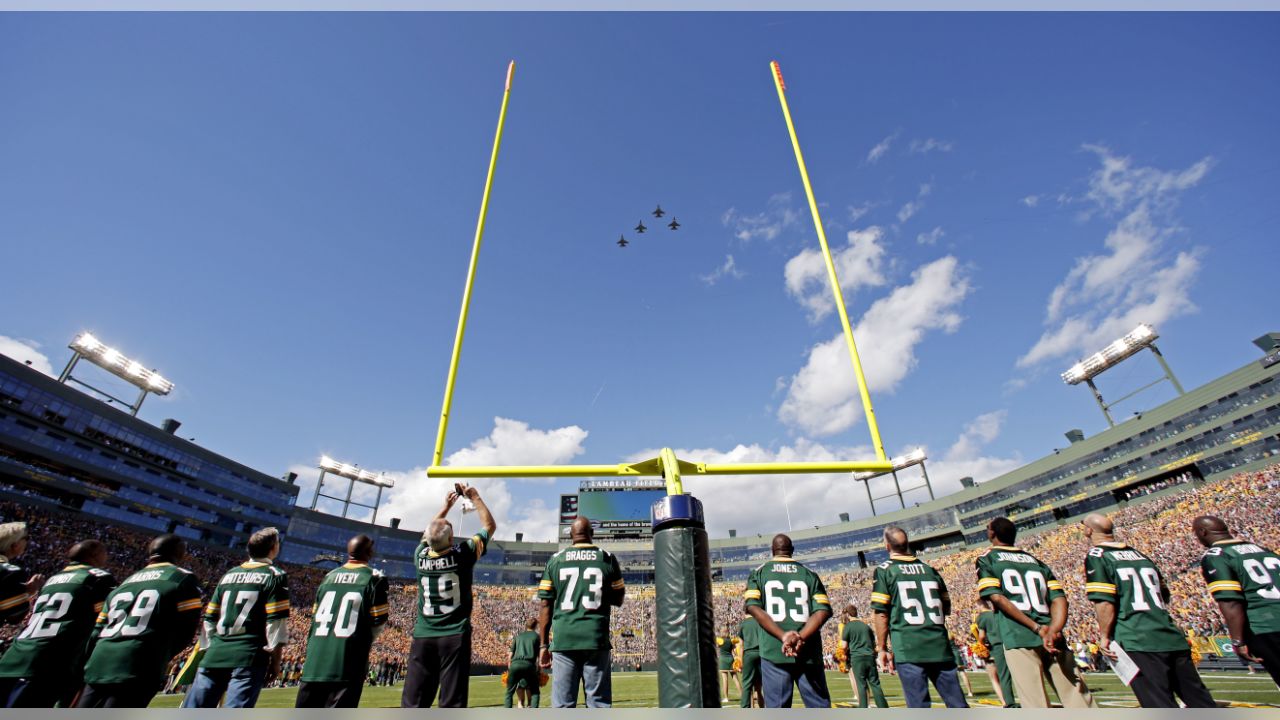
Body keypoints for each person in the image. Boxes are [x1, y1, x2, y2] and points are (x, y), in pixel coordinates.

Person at [1080, 513, 1214, 708]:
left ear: (1089, 530)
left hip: (1137, 637)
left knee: (1157, 702)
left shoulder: (1097, 556)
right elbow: (1164, 593)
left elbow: (1105, 602)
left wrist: (1104, 636)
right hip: (1168, 633)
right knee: (1199, 699)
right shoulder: (1139, 554)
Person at [976, 517, 1095, 708]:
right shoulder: (1035, 561)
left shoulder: (987, 558)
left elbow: (997, 597)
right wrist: (1054, 629)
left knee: (1035, 701)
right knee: (1077, 696)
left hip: (1019, 634)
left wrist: (1036, 627)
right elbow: (1059, 598)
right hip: (1052, 633)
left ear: (992, 533)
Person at [77, 534, 204, 708]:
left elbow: (98, 628)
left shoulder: (125, 581)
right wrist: (162, 654)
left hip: (100, 660)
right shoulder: (182, 578)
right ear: (180, 553)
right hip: (139, 661)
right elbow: (186, 629)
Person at [402, 484, 495, 708]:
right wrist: (475, 497)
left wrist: (445, 507)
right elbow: (489, 526)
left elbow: (428, 534)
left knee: (415, 701)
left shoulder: (420, 556)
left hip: (424, 634)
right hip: (454, 635)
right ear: (451, 539)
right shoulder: (462, 554)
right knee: (451, 701)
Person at [182, 527, 291, 708]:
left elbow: (209, 619)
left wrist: (209, 649)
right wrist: (276, 661)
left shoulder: (228, 575)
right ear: (274, 548)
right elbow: (275, 623)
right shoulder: (275, 576)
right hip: (248, 655)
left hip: (215, 652)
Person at [0, 540, 116, 707]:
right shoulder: (98, 577)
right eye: (104, 551)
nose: (107, 556)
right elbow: (105, 619)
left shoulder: (53, 579)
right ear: (94, 554)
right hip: (51, 660)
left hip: (15, 655)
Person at [870, 526, 968, 708]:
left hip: (909, 646)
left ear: (886, 546)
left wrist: (882, 648)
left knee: (919, 706)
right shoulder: (930, 570)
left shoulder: (884, 570)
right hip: (939, 645)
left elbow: (881, 613)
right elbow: (946, 607)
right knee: (957, 704)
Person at [537, 515, 625, 708]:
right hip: (595, 638)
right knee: (598, 704)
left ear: (570, 535)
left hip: (564, 640)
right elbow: (618, 599)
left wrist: (543, 646)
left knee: (563, 705)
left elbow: (545, 605)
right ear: (592, 534)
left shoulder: (555, 560)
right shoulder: (607, 558)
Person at [296, 534, 390, 708]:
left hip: (314, 662)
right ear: (370, 552)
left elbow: (315, 617)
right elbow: (378, 622)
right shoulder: (375, 578)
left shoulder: (329, 577)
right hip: (348, 661)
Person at [744, 533, 832, 708]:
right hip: (807, 651)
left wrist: (783, 636)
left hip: (773, 651)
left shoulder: (759, 573)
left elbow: (752, 607)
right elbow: (823, 610)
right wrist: (800, 636)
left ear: (772, 551)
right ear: (792, 550)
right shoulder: (809, 573)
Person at [1194, 514, 1280, 687]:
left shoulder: (1216, 555)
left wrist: (1237, 641)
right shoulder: (1262, 549)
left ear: (1202, 532)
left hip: (1265, 625)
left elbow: (1230, 602)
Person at [838, 604, 886, 708]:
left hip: (857, 658)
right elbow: (873, 645)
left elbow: (844, 646)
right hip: (870, 657)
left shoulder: (848, 626)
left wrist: (841, 657)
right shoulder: (866, 626)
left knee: (861, 685)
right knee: (876, 685)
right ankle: (884, 708)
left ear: (848, 614)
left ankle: (863, 709)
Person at [0, 522, 42, 626]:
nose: (28, 541)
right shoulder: (11, 572)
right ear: (15, 545)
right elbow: (14, 617)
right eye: (26, 538)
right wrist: (29, 593)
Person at [975, 597, 1015, 707]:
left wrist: (980, 645)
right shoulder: (995, 613)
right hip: (1006, 643)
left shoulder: (981, 617)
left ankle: (1007, 702)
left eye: (976, 607)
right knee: (1010, 674)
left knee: (997, 677)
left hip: (994, 647)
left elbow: (982, 636)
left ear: (980, 605)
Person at [504, 618, 541, 708]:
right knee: (535, 691)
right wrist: (539, 669)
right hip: (529, 665)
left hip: (515, 664)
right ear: (535, 626)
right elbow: (539, 655)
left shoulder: (518, 636)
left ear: (526, 625)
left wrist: (510, 667)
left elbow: (510, 655)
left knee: (509, 692)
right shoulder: (536, 636)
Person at [736, 610, 763, 708]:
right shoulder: (759, 621)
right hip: (761, 653)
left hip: (749, 653)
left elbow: (741, 645)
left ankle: (745, 709)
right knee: (759, 688)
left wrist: (740, 660)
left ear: (744, 612)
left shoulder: (743, 624)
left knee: (747, 684)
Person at [716, 623, 741, 703]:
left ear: (721, 631)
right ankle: (743, 695)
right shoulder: (732, 639)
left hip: (723, 660)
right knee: (735, 679)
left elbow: (716, 644)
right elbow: (734, 650)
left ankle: (726, 698)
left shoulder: (719, 640)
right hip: (731, 659)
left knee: (725, 680)